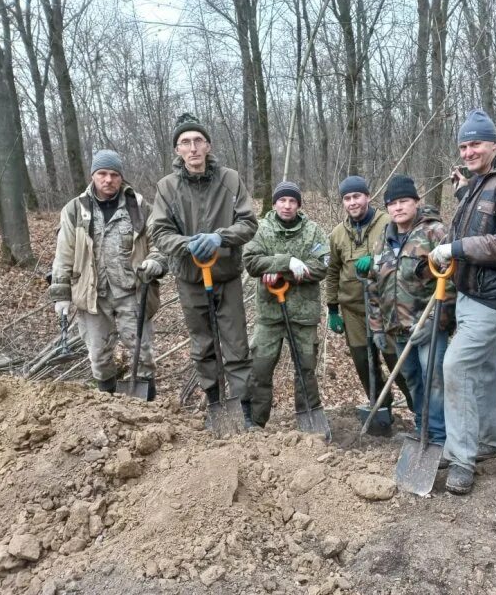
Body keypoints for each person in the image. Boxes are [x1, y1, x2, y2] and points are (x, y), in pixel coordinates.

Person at [428, 110, 496, 495]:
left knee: (455, 365)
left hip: (495, 295)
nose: (468, 151)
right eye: (463, 145)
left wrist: (453, 247)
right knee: (487, 368)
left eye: (475, 144)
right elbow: (472, 225)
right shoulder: (477, 182)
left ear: (494, 144)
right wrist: (451, 212)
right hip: (471, 291)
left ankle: (461, 457)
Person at [149, 113, 258, 422]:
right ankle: (214, 404)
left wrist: (219, 238)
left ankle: (244, 410)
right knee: (203, 345)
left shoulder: (230, 179)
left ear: (208, 146)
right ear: (177, 151)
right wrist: (188, 245)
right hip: (190, 278)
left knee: (236, 345)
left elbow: (249, 223)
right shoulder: (167, 188)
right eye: (185, 142)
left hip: (226, 275)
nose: (193, 148)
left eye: (198, 141)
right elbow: (160, 232)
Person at [49, 150, 168, 399]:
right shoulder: (75, 210)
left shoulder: (138, 206)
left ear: (121, 177)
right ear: (93, 175)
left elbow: (159, 240)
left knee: (141, 351)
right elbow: (64, 254)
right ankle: (107, 407)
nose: (108, 180)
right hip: (92, 295)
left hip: (132, 290)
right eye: (102, 174)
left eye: (114, 174)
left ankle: (148, 407)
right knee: (99, 356)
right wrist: (61, 293)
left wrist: (155, 261)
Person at [367, 175, 454, 447]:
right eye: (392, 204)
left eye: (404, 201)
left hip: (428, 326)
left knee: (434, 381)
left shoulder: (434, 233)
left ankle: (439, 436)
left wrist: (435, 321)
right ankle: (421, 428)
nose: (398, 208)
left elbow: (452, 282)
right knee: (414, 380)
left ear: (416, 202)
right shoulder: (383, 238)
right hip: (398, 327)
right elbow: (374, 285)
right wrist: (377, 327)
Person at [242, 181, 329, 427]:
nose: (287, 206)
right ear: (275, 203)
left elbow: (322, 265)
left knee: (306, 369)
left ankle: (308, 419)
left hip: (303, 314)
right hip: (270, 313)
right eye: (282, 200)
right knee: (260, 366)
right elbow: (251, 261)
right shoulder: (262, 229)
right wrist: (286, 262)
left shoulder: (313, 231)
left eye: (292, 201)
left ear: (299, 205)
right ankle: (255, 420)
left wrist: (280, 272)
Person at [326, 176, 412, 417]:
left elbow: (403, 253)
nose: (352, 202)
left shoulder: (388, 222)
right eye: (347, 198)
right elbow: (332, 271)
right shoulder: (337, 234)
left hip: (386, 307)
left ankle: (419, 410)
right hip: (352, 310)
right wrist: (332, 308)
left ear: (368, 196)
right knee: (364, 363)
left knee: (397, 362)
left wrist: (376, 260)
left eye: (356, 196)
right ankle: (380, 406)